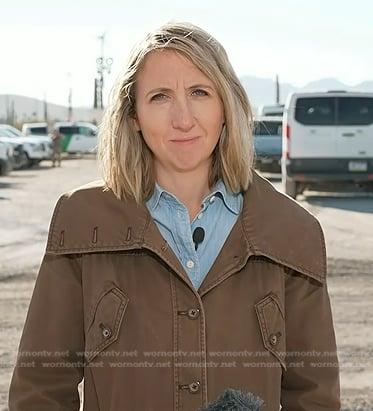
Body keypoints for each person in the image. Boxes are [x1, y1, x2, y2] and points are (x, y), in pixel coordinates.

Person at [8, 22, 340, 410]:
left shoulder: (292, 231)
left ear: (226, 107)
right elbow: (41, 389)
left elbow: (314, 397)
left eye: (200, 92)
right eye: (160, 97)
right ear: (133, 115)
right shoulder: (82, 221)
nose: (183, 119)